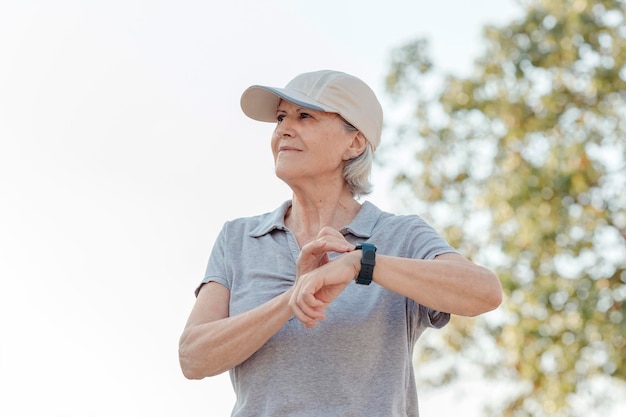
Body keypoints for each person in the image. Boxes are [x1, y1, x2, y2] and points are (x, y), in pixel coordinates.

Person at [178, 69, 503, 417]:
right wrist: (295, 296)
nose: (285, 128)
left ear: (355, 143)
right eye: (281, 117)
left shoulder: (399, 235)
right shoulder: (239, 238)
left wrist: (360, 265)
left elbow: (484, 292)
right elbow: (193, 357)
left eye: (305, 116)